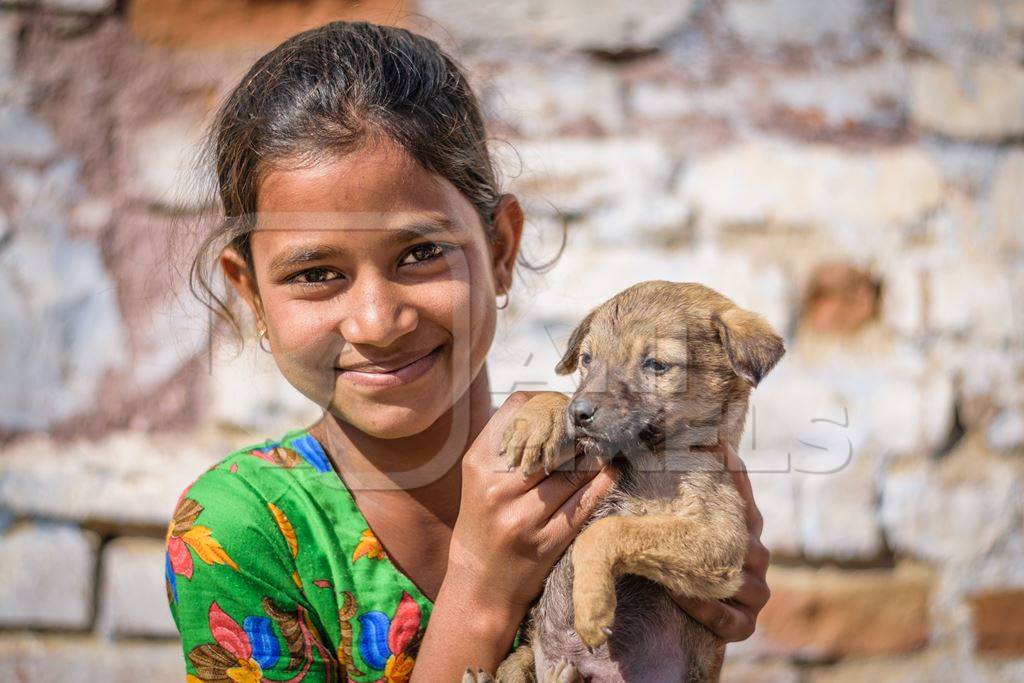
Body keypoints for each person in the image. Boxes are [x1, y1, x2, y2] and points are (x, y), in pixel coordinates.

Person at [164, 20, 771, 682]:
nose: (377, 321)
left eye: (421, 253)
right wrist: (484, 590)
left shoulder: (590, 470)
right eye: (316, 274)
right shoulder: (239, 531)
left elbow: (698, 573)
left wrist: (687, 583)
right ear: (250, 290)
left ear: (501, 250)